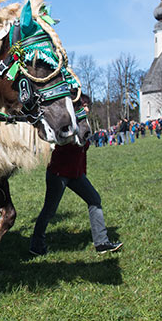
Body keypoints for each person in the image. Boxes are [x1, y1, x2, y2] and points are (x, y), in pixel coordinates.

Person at [29, 95, 123, 256]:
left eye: (87, 105)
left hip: (76, 174)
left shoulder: (82, 122)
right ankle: (36, 245)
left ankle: (101, 242)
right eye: (84, 105)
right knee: (49, 210)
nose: (87, 108)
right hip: (58, 174)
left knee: (94, 200)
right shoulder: (68, 123)